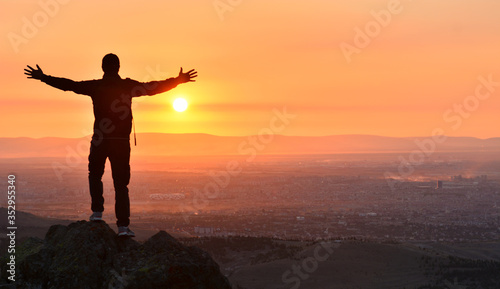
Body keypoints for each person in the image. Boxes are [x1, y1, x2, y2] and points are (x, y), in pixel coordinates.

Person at [24, 54, 197, 237]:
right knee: (121, 185)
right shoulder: (128, 86)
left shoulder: (96, 86)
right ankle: (123, 227)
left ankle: (97, 213)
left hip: (100, 140)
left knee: (95, 174)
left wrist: (43, 78)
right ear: (119, 67)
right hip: (121, 142)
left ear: (103, 68)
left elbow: (70, 85)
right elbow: (153, 87)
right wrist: (178, 80)